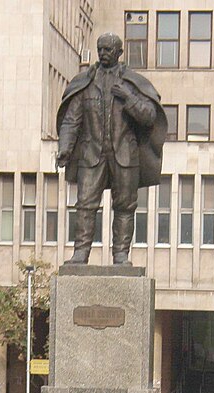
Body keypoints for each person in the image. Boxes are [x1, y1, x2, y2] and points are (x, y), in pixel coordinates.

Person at [56, 32, 167, 265]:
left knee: (125, 206)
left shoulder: (131, 84)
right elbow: (71, 120)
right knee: (85, 204)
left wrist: (129, 98)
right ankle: (80, 253)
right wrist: (65, 148)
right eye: (100, 49)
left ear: (119, 52)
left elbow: (149, 117)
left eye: (108, 50)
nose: (104, 54)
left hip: (125, 155)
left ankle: (120, 255)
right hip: (91, 154)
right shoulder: (86, 82)